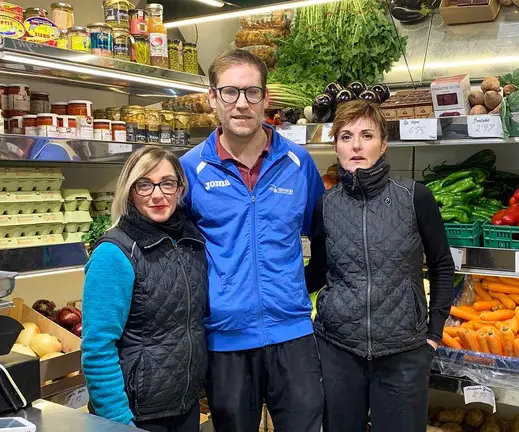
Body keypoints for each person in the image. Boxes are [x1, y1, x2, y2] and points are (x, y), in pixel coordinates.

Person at [179, 49, 325, 432]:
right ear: (213, 98)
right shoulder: (190, 169)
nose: (241, 104)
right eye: (230, 92)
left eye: (252, 93)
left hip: (292, 333)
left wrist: (294, 287)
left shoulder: (298, 163)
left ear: (265, 99)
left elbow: (324, 238)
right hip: (225, 338)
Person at [305, 100, 456, 432]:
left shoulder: (415, 197)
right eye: (346, 136)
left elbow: (443, 266)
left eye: (367, 135)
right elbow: (317, 270)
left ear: (383, 144)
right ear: (336, 147)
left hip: (403, 353)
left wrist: (433, 335)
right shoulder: (325, 206)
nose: (356, 145)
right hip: (338, 351)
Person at [81, 147, 208, 432]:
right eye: (144, 184)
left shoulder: (191, 242)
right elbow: (97, 348)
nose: (157, 194)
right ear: (130, 191)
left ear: (180, 188)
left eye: (167, 183)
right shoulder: (114, 253)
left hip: (185, 406)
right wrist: (119, 421)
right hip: (136, 416)